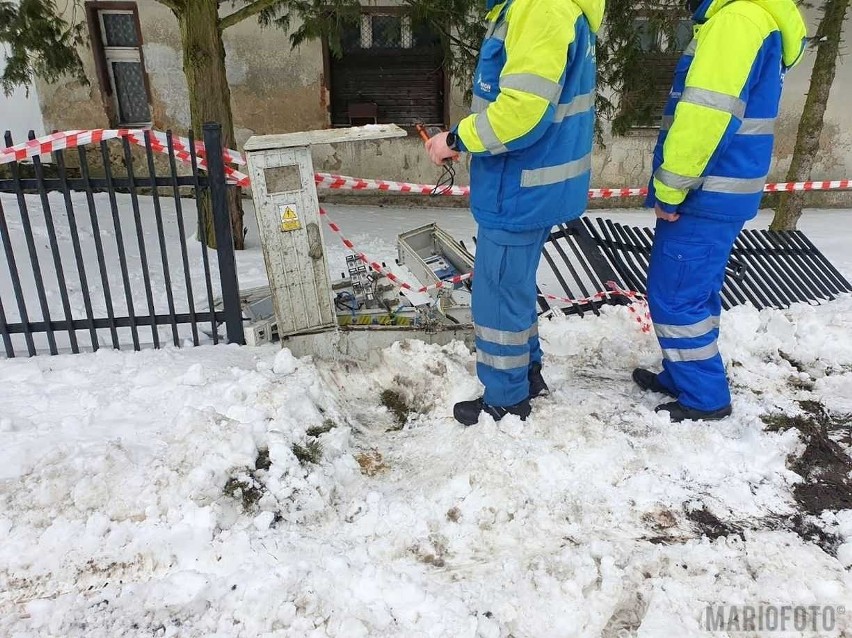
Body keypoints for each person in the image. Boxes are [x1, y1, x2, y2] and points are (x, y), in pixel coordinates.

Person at [426, 0, 604, 426]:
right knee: (515, 288)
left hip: (519, 187)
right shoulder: (550, 8)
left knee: (498, 294)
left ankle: (506, 399)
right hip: (532, 184)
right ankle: (526, 373)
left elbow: (523, 113)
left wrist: (455, 139)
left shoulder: (540, 8)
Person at [635, 0, 806, 421]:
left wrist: (671, 189)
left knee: (675, 299)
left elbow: (705, 117)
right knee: (694, 292)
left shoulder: (736, 21)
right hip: (721, 190)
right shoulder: (754, 19)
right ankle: (683, 374)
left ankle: (704, 397)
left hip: (704, 192)